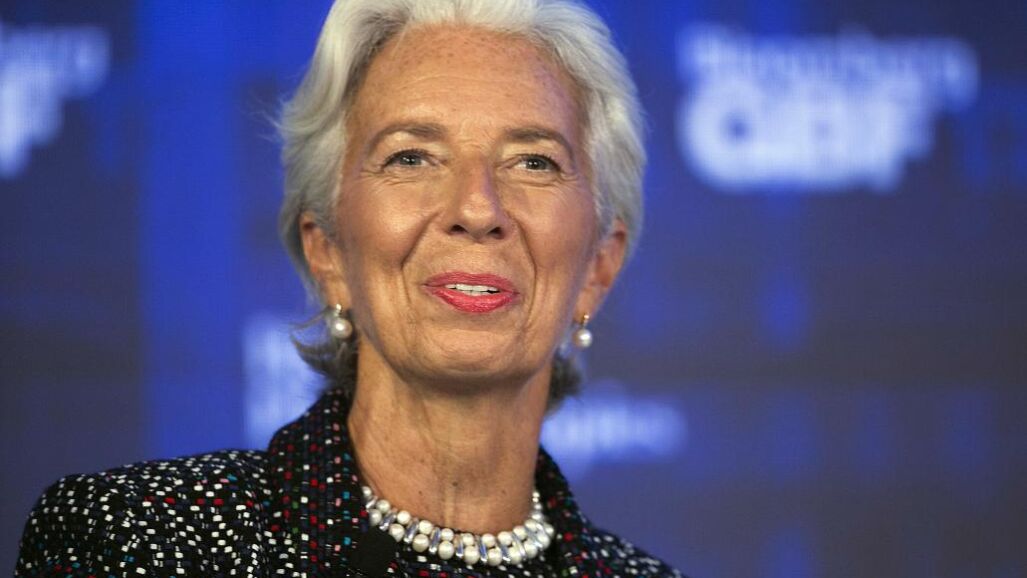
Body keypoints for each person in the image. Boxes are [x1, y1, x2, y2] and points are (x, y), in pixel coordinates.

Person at [15, 0, 684, 576]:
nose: (478, 208)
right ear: (327, 249)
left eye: (533, 162)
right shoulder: (137, 538)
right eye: (411, 157)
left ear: (598, 266)